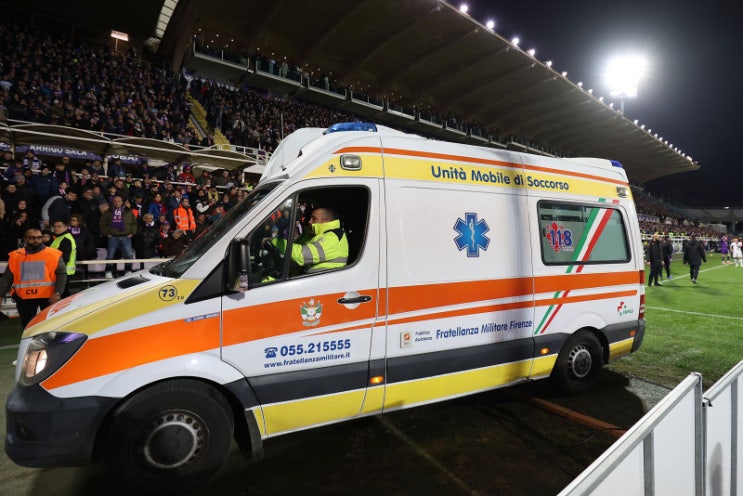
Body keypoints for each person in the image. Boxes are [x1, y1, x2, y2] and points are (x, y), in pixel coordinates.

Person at [0, 227, 67, 329]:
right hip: (24, 298)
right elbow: (8, 277)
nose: (36, 240)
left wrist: (58, 293)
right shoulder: (16, 256)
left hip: (48, 297)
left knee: (50, 327)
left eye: (39, 237)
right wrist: (0, 295)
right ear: (25, 239)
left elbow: (61, 274)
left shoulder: (53, 254)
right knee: (28, 328)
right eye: (32, 238)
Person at [279, 207, 348, 273]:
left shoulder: (333, 237)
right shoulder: (313, 234)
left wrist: (277, 242)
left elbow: (301, 256)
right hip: (308, 276)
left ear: (326, 222)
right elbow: (295, 245)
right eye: (310, 218)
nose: (309, 221)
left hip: (324, 279)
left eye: (314, 219)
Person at [100, 195, 137, 278]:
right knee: (110, 255)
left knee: (128, 255)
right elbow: (102, 223)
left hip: (126, 237)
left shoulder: (128, 211)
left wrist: (132, 233)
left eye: (119, 201)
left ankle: (128, 270)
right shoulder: (109, 212)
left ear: (122, 202)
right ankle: (108, 271)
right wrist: (106, 233)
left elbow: (134, 223)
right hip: (113, 237)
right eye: (115, 201)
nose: (117, 203)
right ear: (113, 202)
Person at [50, 220, 77, 297]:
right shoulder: (60, 237)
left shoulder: (65, 239)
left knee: (63, 295)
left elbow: (65, 258)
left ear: (66, 227)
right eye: (55, 226)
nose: (56, 228)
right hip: (62, 271)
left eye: (59, 226)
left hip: (63, 271)